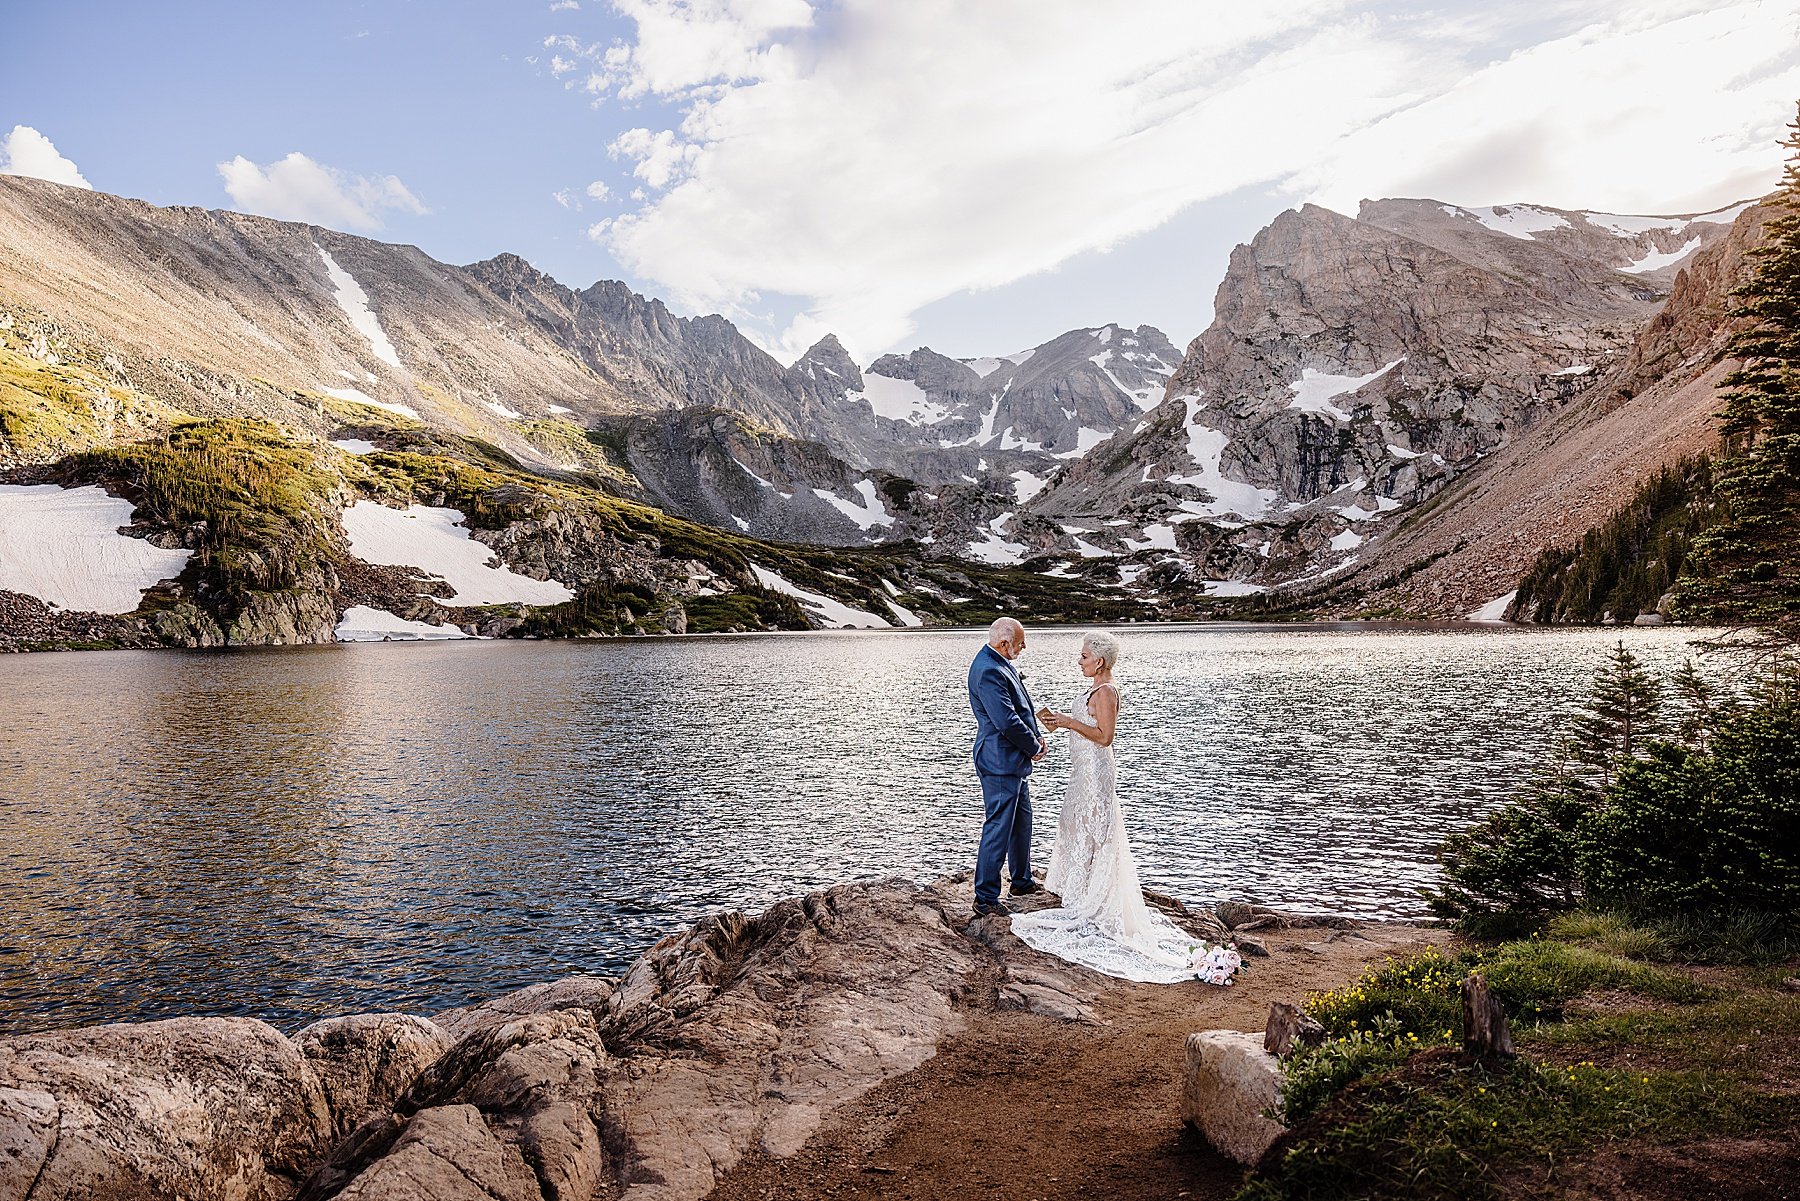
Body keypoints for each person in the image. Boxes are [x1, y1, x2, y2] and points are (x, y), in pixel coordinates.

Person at [1009, 631, 1194, 982]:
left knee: (1093, 827)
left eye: (1083, 656)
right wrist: (1060, 721)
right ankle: (1080, 891)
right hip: (1084, 770)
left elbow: (1105, 736)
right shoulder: (1095, 688)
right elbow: (1089, 728)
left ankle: (1094, 896)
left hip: (1096, 772)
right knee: (1074, 826)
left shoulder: (1106, 691)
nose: (1079, 661)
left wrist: (1064, 720)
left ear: (1100, 661)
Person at [967, 616, 1045, 920]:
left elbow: (1018, 710)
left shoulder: (996, 660)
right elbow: (1005, 721)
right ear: (1003, 643)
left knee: (1021, 820)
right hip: (999, 760)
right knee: (999, 826)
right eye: (1020, 643)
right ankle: (985, 897)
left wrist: (1034, 737)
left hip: (1012, 760)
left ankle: (1021, 881)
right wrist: (1034, 745)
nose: (1024, 647)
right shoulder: (988, 669)